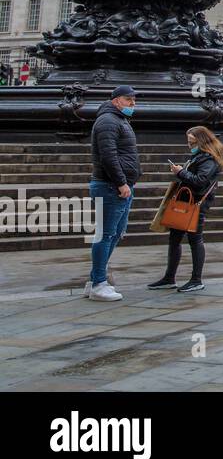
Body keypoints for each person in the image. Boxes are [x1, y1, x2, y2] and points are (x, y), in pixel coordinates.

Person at [148, 126, 223, 294]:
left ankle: (196, 279)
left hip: (196, 204)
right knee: (174, 239)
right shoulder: (200, 156)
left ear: (202, 141)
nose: (190, 145)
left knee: (195, 240)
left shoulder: (209, 159)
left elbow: (200, 181)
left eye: (193, 142)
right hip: (184, 204)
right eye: (189, 142)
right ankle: (169, 277)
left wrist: (181, 172)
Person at [87, 85, 140, 302]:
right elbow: (108, 156)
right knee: (106, 234)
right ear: (117, 100)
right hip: (111, 186)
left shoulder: (118, 120)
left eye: (134, 100)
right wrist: (120, 183)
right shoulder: (108, 120)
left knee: (116, 233)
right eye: (129, 100)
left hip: (119, 185)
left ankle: (94, 280)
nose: (133, 104)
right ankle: (99, 283)